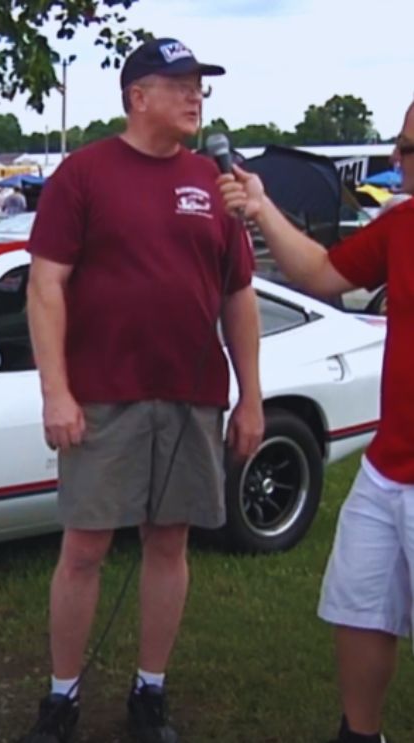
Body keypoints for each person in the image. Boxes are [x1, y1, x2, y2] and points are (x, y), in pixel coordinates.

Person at [19, 38, 263, 743]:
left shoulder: (213, 183)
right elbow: (45, 287)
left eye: (199, 87)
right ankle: (61, 694)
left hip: (190, 394)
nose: (195, 97)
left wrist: (249, 396)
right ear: (137, 97)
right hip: (102, 396)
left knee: (168, 544)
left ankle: (148, 690)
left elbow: (238, 296)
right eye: (181, 84)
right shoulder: (83, 174)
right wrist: (54, 392)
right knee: (85, 548)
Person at [218, 99, 414, 743]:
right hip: (388, 469)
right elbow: (322, 274)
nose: (394, 159)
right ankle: (359, 735)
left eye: (407, 150)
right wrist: (260, 206)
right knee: (360, 607)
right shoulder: (402, 224)